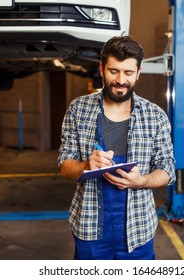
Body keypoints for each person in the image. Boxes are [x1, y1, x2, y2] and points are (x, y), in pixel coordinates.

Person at [57, 35, 176, 259]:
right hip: (90, 228)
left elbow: (167, 169)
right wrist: (86, 166)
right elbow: (65, 165)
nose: (121, 80)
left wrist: (143, 181)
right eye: (114, 71)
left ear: (138, 73)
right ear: (101, 69)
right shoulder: (78, 110)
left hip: (138, 229)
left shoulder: (155, 116)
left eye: (128, 73)